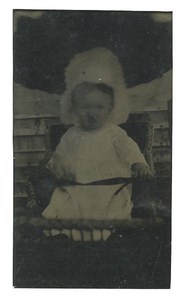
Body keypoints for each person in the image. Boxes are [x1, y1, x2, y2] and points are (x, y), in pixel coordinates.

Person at [42, 47, 152, 241]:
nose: (92, 113)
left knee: (109, 211)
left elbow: (129, 149)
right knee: (67, 207)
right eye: (85, 107)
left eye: (99, 107)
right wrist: (56, 165)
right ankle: (66, 238)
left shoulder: (113, 132)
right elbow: (60, 157)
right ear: (74, 109)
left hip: (108, 188)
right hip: (77, 187)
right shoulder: (71, 134)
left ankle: (105, 238)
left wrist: (138, 163)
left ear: (110, 108)